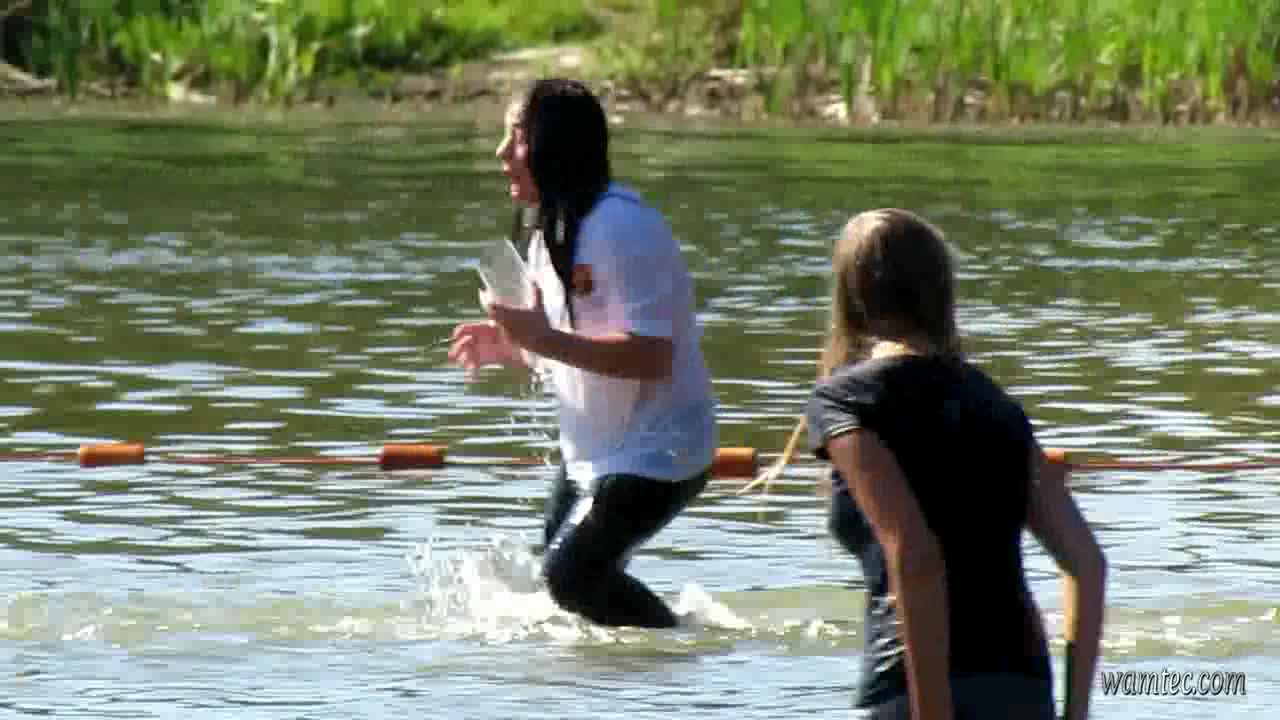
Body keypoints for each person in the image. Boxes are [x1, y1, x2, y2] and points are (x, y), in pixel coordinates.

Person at [803, 209, 1107, 720]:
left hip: (908, 691)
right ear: (940, 291)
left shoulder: (845, 401)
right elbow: (1087, 563)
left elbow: (917, 555)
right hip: (1022, 690)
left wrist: (934, 712)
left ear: (852, 295)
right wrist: (1075, 714)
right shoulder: (995, 403)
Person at [447, 78, 717, 629]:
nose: (501, 153)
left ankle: (683, 646)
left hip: (661, 452)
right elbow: (570, 345)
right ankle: (624, 669)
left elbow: (652, 357)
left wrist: (541, 339)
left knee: (570, 577)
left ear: (555, 145)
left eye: (517, 137)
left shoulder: (621, 224)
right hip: (595, 455)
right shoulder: (550, 233)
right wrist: (515, 347)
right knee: (562, 588)